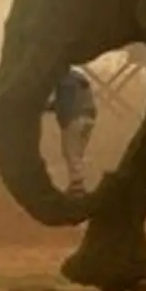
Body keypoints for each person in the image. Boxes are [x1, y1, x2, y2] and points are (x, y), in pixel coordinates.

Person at [46, 66, 97, 197]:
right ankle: (77, 184)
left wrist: (43, 107)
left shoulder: (64, 79)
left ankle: (77, 187)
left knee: (71, 152)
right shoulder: (80, 76)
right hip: (89, 117)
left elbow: (65, 103)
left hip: (74, 118)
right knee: (78, 153)